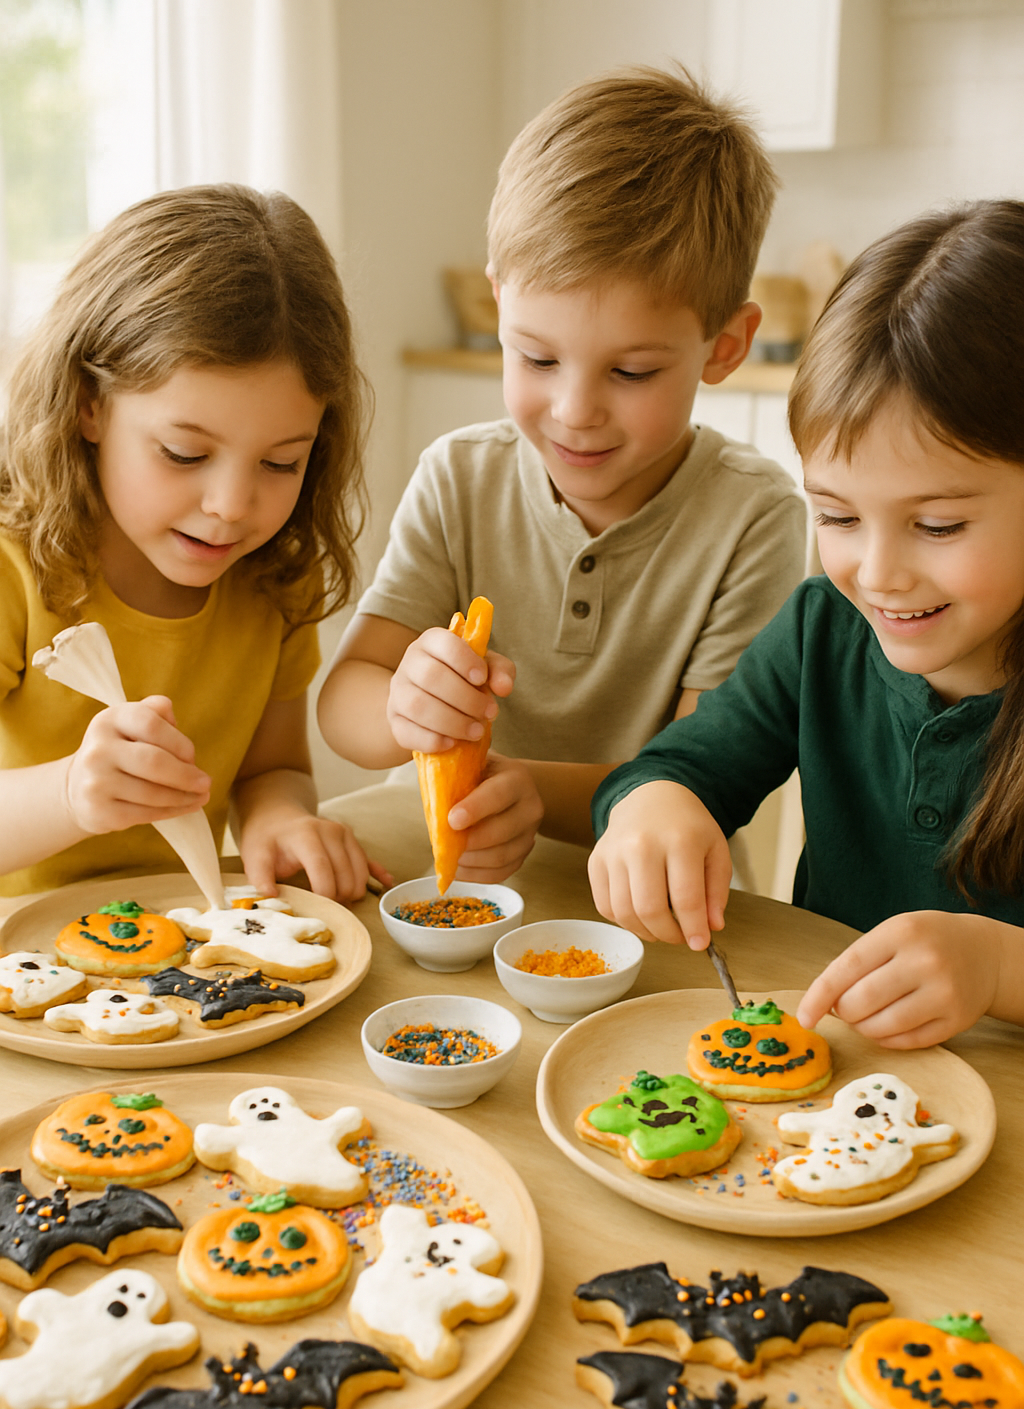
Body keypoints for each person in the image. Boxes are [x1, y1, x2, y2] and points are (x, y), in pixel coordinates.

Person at [317, 66, 806, 881]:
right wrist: (402, 709)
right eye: (537, 356)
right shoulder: (458, 479)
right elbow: (345, 701)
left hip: (657, 904)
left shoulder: (753, 518)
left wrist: (529, 791)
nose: (574, 410)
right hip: (458, 887)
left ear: (725, 345)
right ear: (499, 303)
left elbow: (705, 773)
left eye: (633, 373)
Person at [589, 199, 1024, 1050]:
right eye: (836, 515)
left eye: (937, 526)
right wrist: (656, 806)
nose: (876, 571)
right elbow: (676, 767)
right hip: (837, 1095)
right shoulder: (822, 629)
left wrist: (1001, 969)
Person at [0, 184, 389, 901]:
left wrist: (281, 817)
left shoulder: (274, 573)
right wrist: (70, 795)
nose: (230, 509)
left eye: (282, 463)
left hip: (185, 957)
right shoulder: (13, 567)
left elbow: (271, 767)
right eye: (183, 453)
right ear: (89, 405)